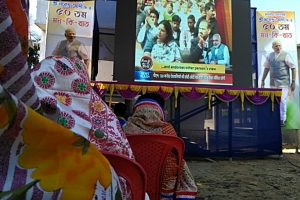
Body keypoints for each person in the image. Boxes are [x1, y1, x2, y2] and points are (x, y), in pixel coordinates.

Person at [123, 93, 198, 199]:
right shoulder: (167, 131)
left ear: (137, 110)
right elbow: (177, 160)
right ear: (160, 111)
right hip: (163, 193)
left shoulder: (123, 130)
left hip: (132, 190)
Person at [261, 40, 296, 126]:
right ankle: (274, 118)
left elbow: (293, 68)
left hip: (284, 82)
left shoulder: (286, 55)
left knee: (282, 101)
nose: (278, 47)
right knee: (274, 100)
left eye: (279, 45)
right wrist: (262, 80)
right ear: (273, 47)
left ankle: (282, 119)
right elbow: (266, 68)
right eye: (276, 46)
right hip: (273, 83)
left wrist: (293, 81)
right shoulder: (270, 55)